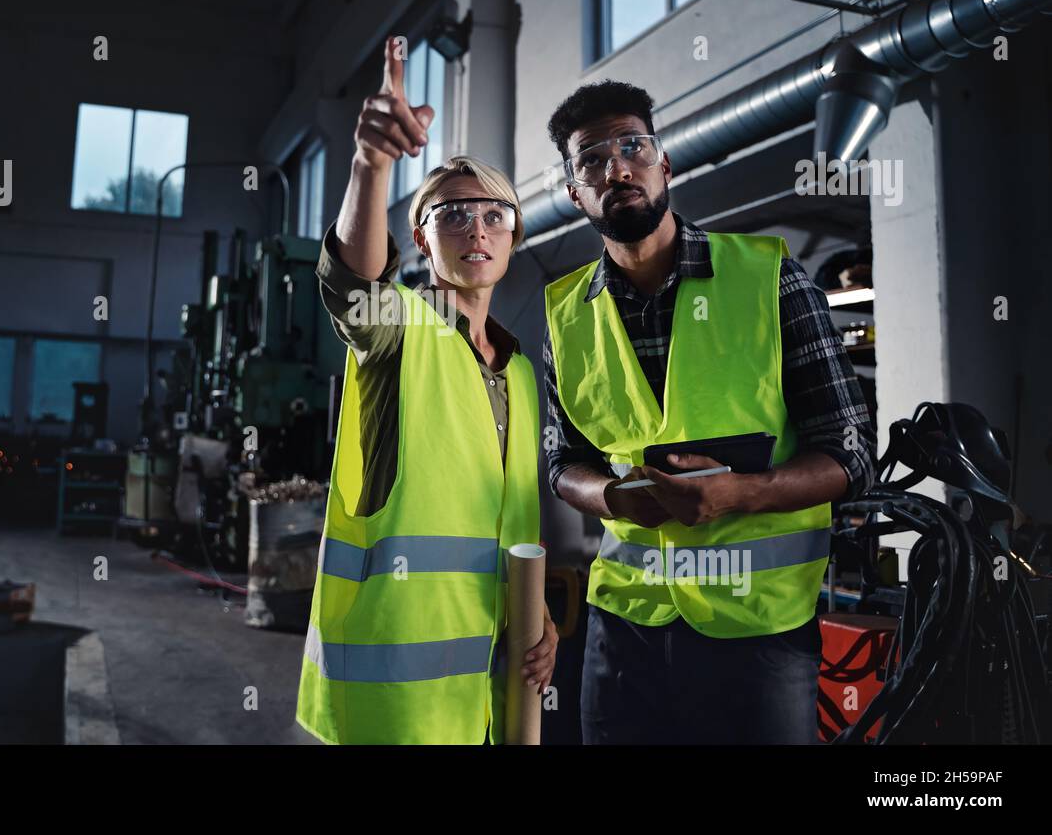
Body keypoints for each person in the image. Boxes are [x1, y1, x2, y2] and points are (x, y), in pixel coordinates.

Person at [541, 79, 875, 744]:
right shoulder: (563, 315)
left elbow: (851, 454)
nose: (617, 167)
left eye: (633, 145)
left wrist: (737, 494)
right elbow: (562, 464)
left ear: (666, 163)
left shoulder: (768, 278)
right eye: (591, 160)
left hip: (758, 633)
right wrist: (609, 494)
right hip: (624, 629)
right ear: (576, 193)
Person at [296, 37, 558, 744]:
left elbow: (513, 525)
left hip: (484, 695)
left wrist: (537, 617)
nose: (476, 226)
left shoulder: (521, 373)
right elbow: (352, 287)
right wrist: (369, 162)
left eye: (493, 213)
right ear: (419, 237)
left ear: (515, 233)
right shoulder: (400, 329)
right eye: (452, 213)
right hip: (386, 705)